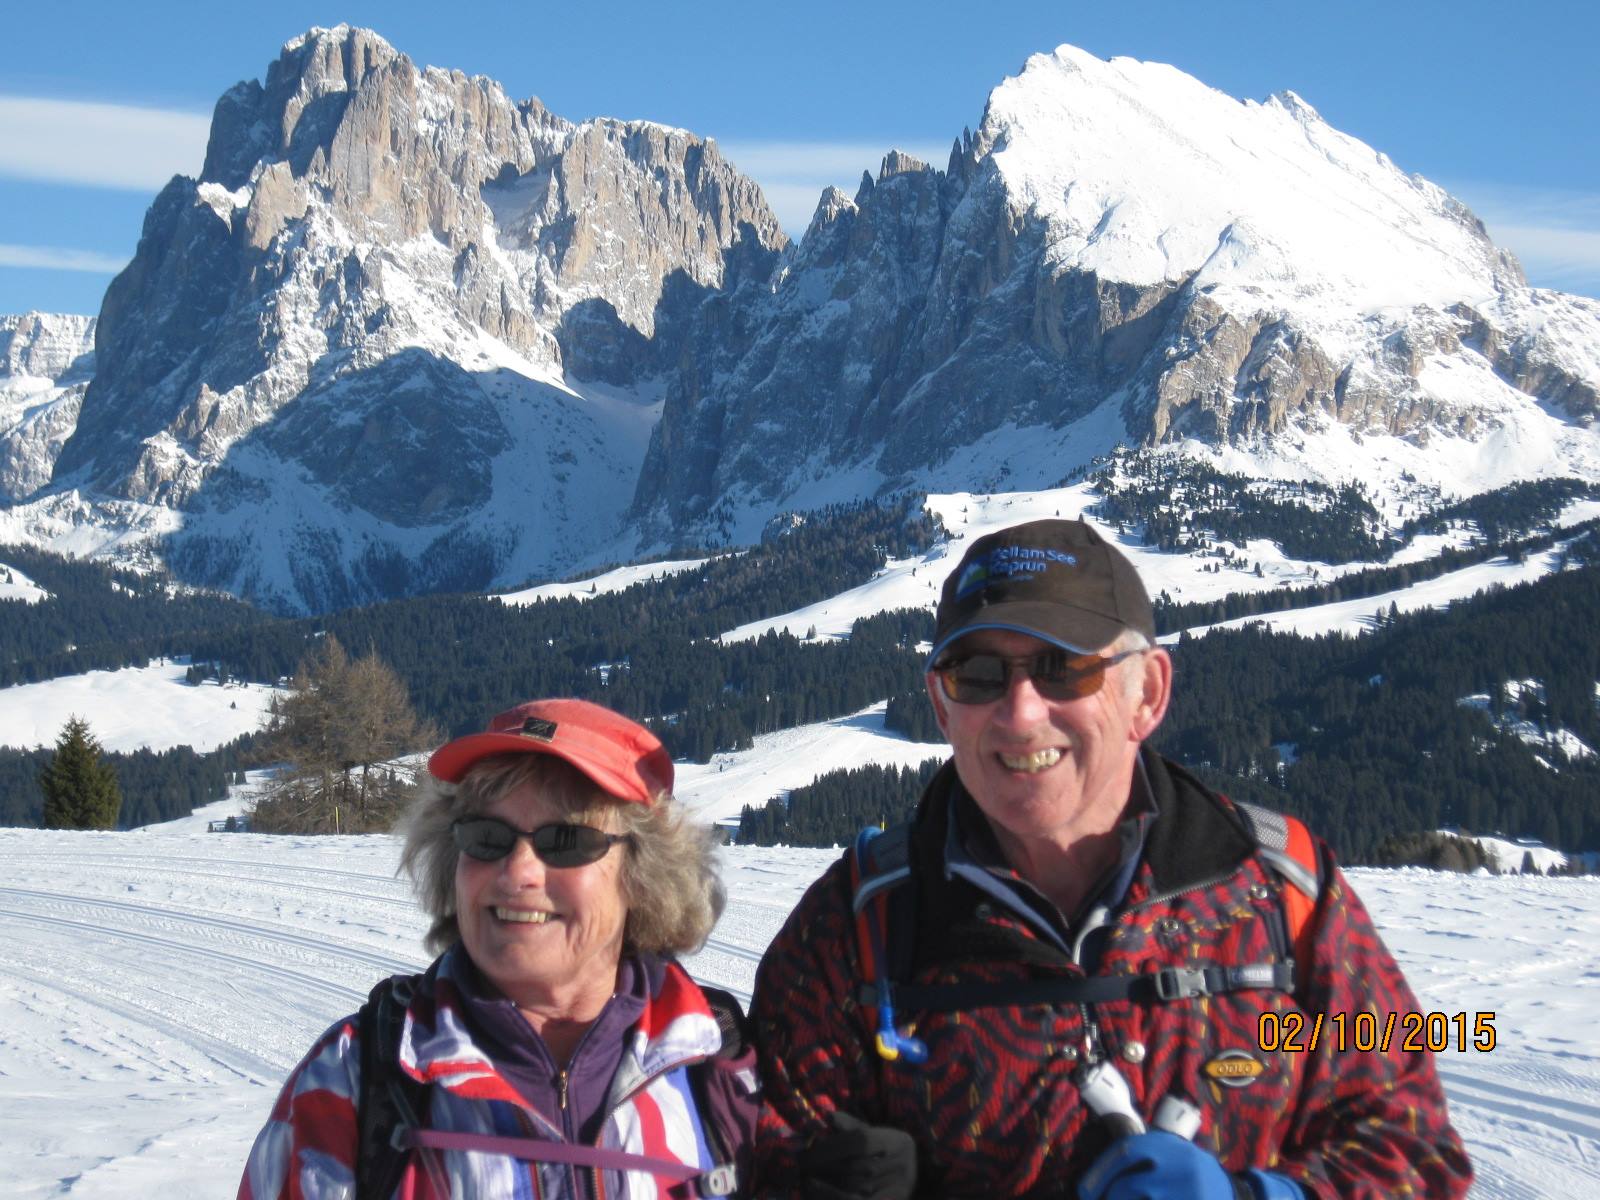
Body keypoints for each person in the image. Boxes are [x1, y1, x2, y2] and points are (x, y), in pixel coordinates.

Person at [750, 519, 1473, 1199]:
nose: (1021, 712)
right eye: (978, 674)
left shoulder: (1284, 894)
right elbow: (757, 1145)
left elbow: (1414, 1146)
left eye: (1064, 669)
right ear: (942, 707)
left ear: (1146, 694)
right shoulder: (857, 925)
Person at [239, 697, 757, 1198]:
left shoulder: (725, 1072)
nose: (517, 872)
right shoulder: (351, 1081)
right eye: (487, 836)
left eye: (565, 840)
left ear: (644, 874)